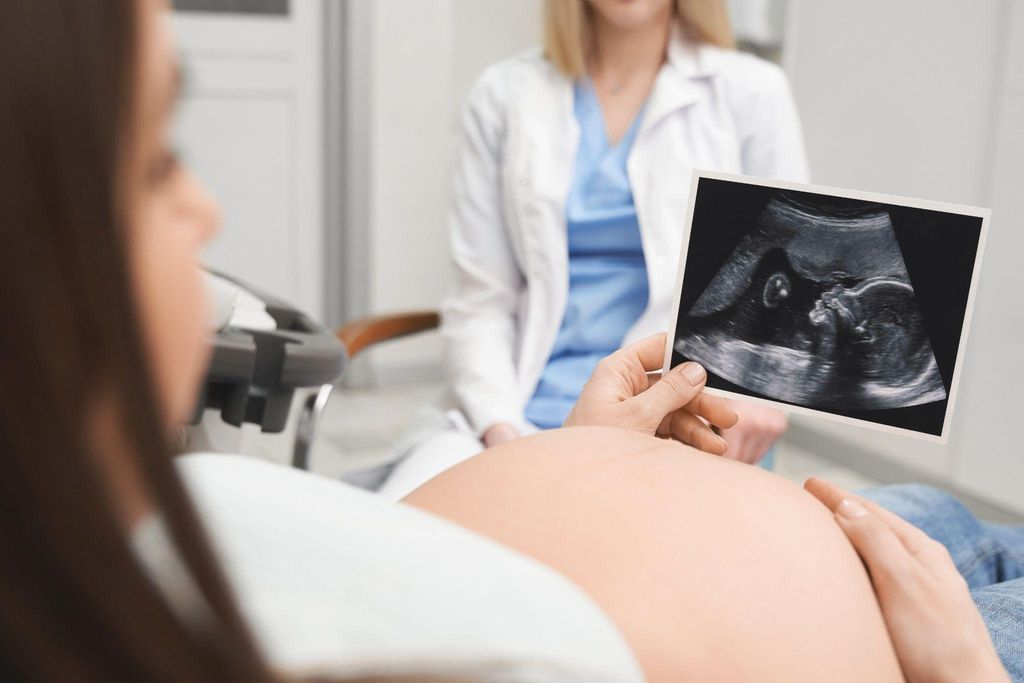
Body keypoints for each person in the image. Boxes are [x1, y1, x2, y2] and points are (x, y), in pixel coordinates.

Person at [0, 0, 1018, 681]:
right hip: (561, 446)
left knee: (925, 524)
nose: (207, 209)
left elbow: (769, 317)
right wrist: (518, 439)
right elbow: (482, 301)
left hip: (656, 434)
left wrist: (678, 419)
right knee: (960, 544)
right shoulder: (511, 96)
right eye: (156, 162)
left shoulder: (171, 532)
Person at [378, 0, 803, 499]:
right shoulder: (504, 94)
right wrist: (502, 433)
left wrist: (759, 396)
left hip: (670, 414)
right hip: (512, 408)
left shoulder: (751, 92)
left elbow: (785, 283)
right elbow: (480, 300)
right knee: (410, 533)